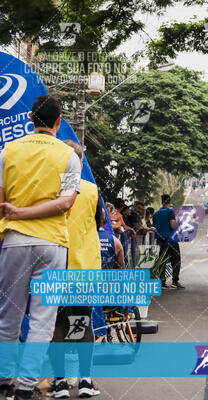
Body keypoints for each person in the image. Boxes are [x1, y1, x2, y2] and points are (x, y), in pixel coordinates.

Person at [0, 95, 80, 400]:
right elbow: (66, 201)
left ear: (31, 119)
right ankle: (25, 388)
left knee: (8, 317)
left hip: (14, 242)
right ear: (59, 122)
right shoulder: (69, 156)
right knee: (42, 320)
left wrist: (17, 215)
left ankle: (4, 381)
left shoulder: (7, 152)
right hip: (53, 245)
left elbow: (1, 202)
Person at [47, 140, 102, 399]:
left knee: (54, 323)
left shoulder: (48, 189)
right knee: (83, 321)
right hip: (85, 268)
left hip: (54, 267)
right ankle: (85, 381)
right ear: (80, 164)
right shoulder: (91, 190)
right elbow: (99, 222)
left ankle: (59, 383)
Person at [153, 194, 184, 289]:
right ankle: (175, 281)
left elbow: (155, 226)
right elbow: (172, 226)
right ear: (169, 202)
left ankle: (162, 282)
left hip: (160, 240)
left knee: (162, 260)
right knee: (176, 260)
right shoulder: (170, 212)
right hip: (170, 240)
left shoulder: (156, 213)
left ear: (162, 202)